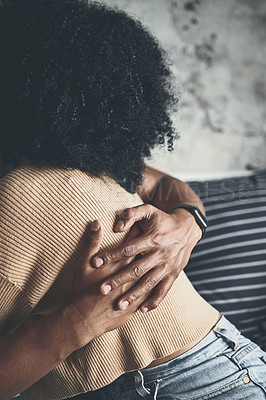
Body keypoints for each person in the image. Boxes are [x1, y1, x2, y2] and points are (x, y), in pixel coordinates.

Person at [0, 1, 265, 399]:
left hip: (206, 383)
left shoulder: (60, 170)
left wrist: (187, 222)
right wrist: (77, 322)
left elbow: (165, 185)